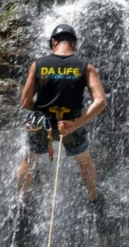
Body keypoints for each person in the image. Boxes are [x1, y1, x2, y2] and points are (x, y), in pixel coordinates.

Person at [17, 24, 107, 206]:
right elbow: (100, 101)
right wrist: (75, 124)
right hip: (71, 124)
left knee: (30, 159)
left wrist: (42, 110)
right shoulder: (86, 67)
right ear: (74, 44)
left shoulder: (38, 65)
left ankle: (20, 200)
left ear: (53, 42)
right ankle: (93, 199)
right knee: (84, 161)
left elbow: (25, 102)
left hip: (42, 124)